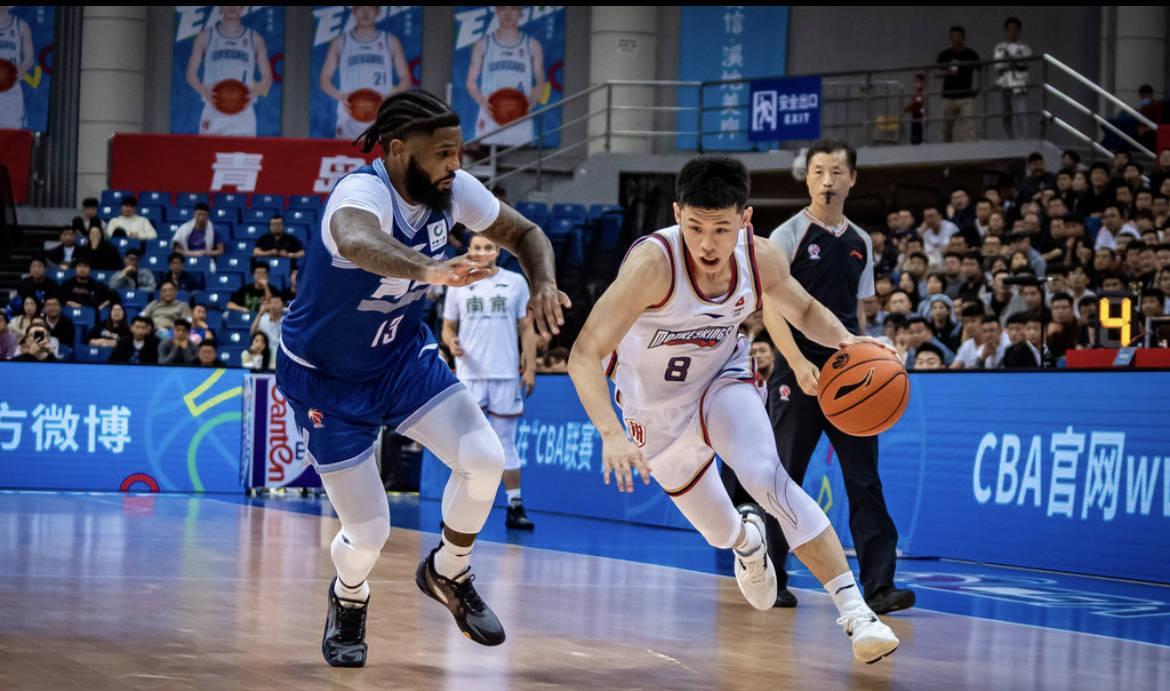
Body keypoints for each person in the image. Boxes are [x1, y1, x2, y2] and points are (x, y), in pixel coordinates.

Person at [567, 154, 900, 664]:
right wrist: (611, 434)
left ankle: (857, 614)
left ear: (745, 219)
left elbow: (803, 308)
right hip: (655, 413)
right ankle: (747, 542)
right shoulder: (652, 266)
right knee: (717, 531)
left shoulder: (760, 258)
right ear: (677, 214)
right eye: (695, 227)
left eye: (721, 229)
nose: (707, 244)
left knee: (767, 475)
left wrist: (848, 340)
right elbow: (584, 354)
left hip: (722, 381)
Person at [275, 89, 568, 666]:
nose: (455, 164)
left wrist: (543, 282)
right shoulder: (360, 193)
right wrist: (429, 270)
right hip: (327, 378)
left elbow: (526, 234)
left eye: (458, 152)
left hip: (401, 361)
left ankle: (448, 571)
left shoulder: (453, 190)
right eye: (443, 154)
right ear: (398, 150)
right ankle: (349, 596)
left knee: (484, 458)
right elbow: (357, 240)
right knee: (368, 533)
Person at [441, 234, 539, 530]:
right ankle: (455, 511)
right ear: (469, 251)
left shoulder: (515, 282)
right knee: (465, 444)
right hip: (469, 374)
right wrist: (451, 343)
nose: (482, 252)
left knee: (505, 441)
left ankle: (515, 505)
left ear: (497, 251)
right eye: (477, 247)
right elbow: (448, 327)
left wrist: (530, 367)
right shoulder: (457, 282)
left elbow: (527, 327)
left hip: (505, 373)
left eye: (488, 247)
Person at [319, 5, 412, 140]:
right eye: (360, 7)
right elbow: (324, 80)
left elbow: (406, 79)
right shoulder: (340, 42)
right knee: (347, 153)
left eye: (370, 8)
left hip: (381, 115)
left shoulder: (390, 41)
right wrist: (341, 96)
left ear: (377, 12)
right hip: (349, 116)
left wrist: (388, 98)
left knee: (382, 152)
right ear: (354, 11)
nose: (365, 12)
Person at [186, 4, 272, 136]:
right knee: (209, 149)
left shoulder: (255, 38)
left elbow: (267, 77)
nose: (232, 6)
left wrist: (256, 91)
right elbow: (190, 74)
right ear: (220, 7)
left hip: (243, 112)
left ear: (243, 7)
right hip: (213, 109)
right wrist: (203, 90)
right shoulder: (206, 36)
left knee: (244, 149)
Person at [466, 5, 546, 147]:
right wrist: (482, 102)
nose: (508, 13)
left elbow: (540, 81)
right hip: (491, 116)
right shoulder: (483, 44)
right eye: (503, 8)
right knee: (487, 157)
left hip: (520, 115)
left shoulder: (533, 45)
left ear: (521, 12)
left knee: (520, 159)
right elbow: (470, 82)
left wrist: (533, 101)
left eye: (513, 8)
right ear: (497, 11)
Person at [936, 25, 980, 142]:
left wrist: (979, 87)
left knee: (969, 127)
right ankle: (946, 150)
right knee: (946, 128)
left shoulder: (971, 54)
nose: (955, 39)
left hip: (965, 97)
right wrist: (948, 72)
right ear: (950, 38)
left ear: (964, 38)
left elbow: (980, 70)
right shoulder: (945, 54)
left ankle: (970, 150)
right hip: (949, 96)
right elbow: (937, 73)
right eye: (953, 36)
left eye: (958, 36)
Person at [993, 17, 1031, 139]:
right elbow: (998, 65)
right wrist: (1013, 61)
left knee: (1020, 113)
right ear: (1006, 30)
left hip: (1019, 83)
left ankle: (1022, 139)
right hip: (1004, 83)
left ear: (1019, 31)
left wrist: (1009, 60)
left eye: (1014, 29)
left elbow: (1023, 63)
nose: (1012, 32)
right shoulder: (1000, 47)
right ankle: (1008, 139)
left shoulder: (1024, 47)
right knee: (1005, 114)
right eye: (1009, 29)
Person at [0, 5, 34, 130]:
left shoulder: (21, 26)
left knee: (11, 133)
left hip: (11, 90)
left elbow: (29, 58)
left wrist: (20, 70)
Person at [903, 73, 925, 145]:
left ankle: (917, 143)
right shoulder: (918, 94)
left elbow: (915, 104)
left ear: (922, 83)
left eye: (918, 82)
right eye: (915, 82)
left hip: (917, 117)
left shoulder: (920, 94)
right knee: (915, 133)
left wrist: (905, 109)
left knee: (916, 134)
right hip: (915, 116)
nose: (916, 84)